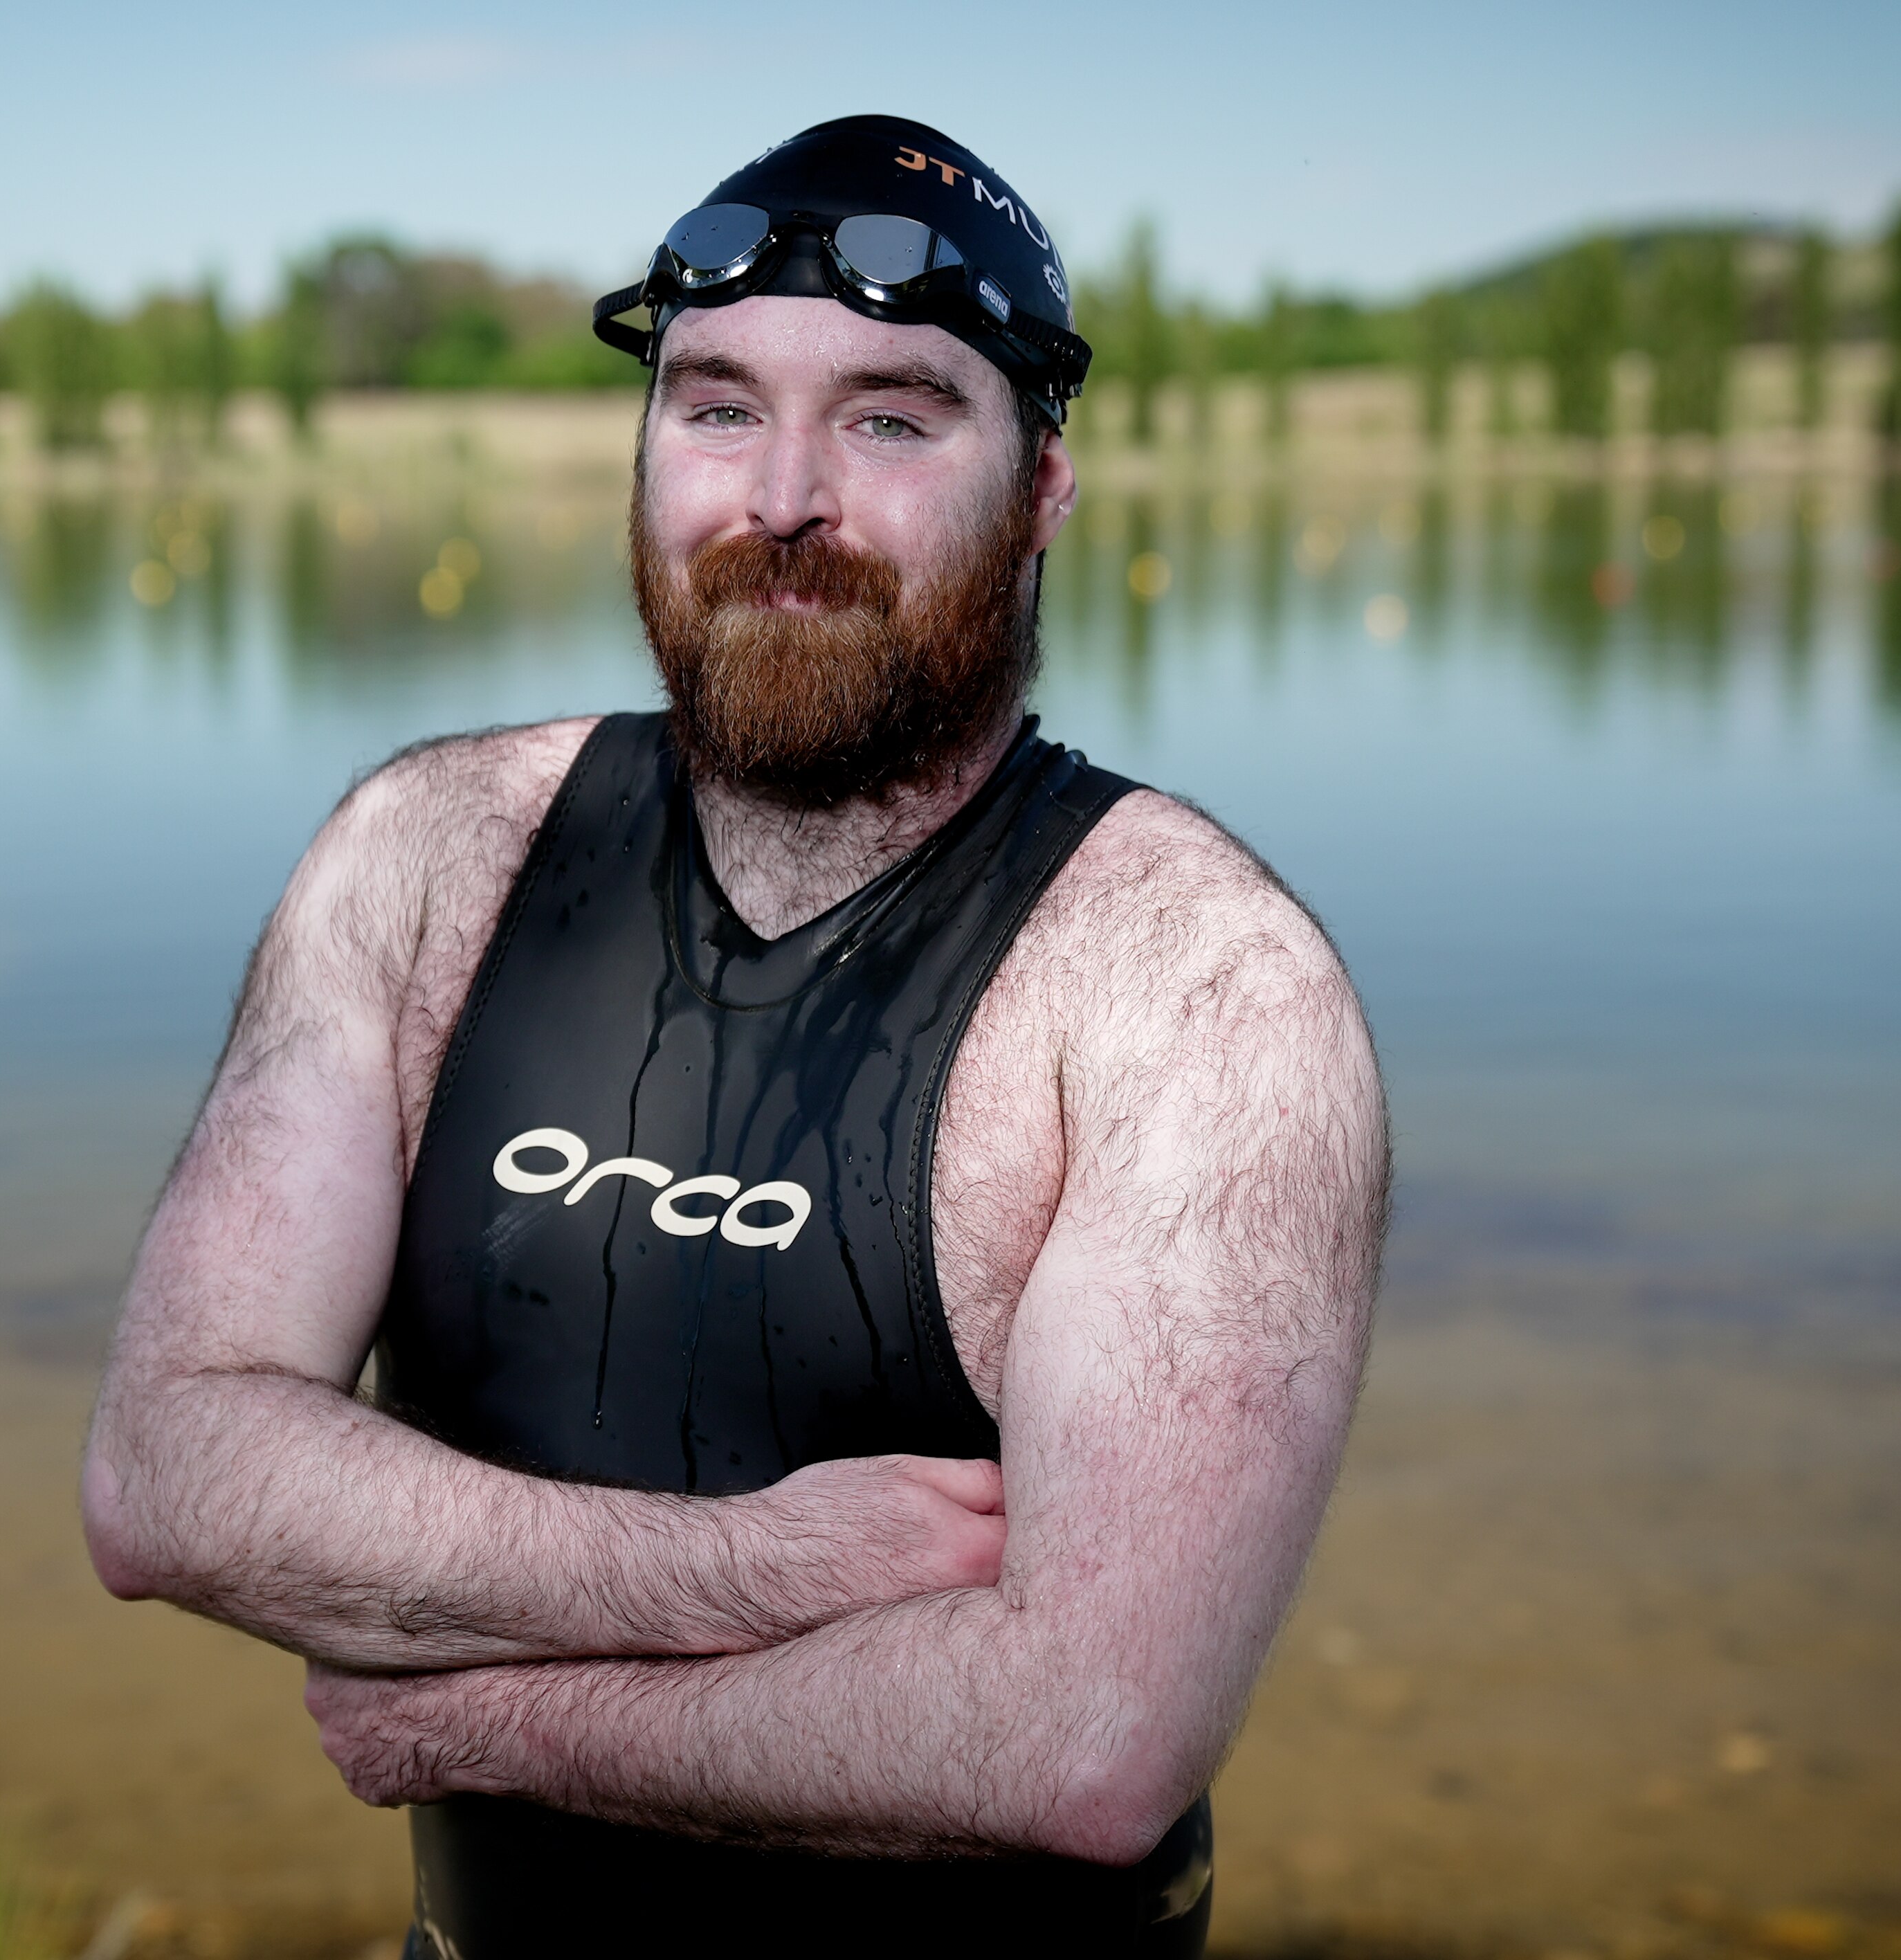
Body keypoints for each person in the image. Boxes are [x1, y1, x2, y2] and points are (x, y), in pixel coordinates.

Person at [81, 115, 1388, 1959]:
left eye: (892, 417)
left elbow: (1086, 1740)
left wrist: (483, 1718)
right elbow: (168, 1471)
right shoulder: (426, 862)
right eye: (714, 407)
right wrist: (750, 1570)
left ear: (1045, 490)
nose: (783, 495)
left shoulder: (1199, 990)